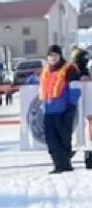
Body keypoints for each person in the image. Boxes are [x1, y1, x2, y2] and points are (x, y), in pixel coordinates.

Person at [39, 44, 79, 174]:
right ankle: (58, 164)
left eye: (55, 55)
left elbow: (76, 88)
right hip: (49, 110)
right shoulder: (46, 70)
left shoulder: (69, 69)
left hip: (64, 110)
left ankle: (65, 165)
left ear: (60, 56)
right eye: (50, 56)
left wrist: (70, 107)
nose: (53, 58)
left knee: (63, 138)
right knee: (51, 140)